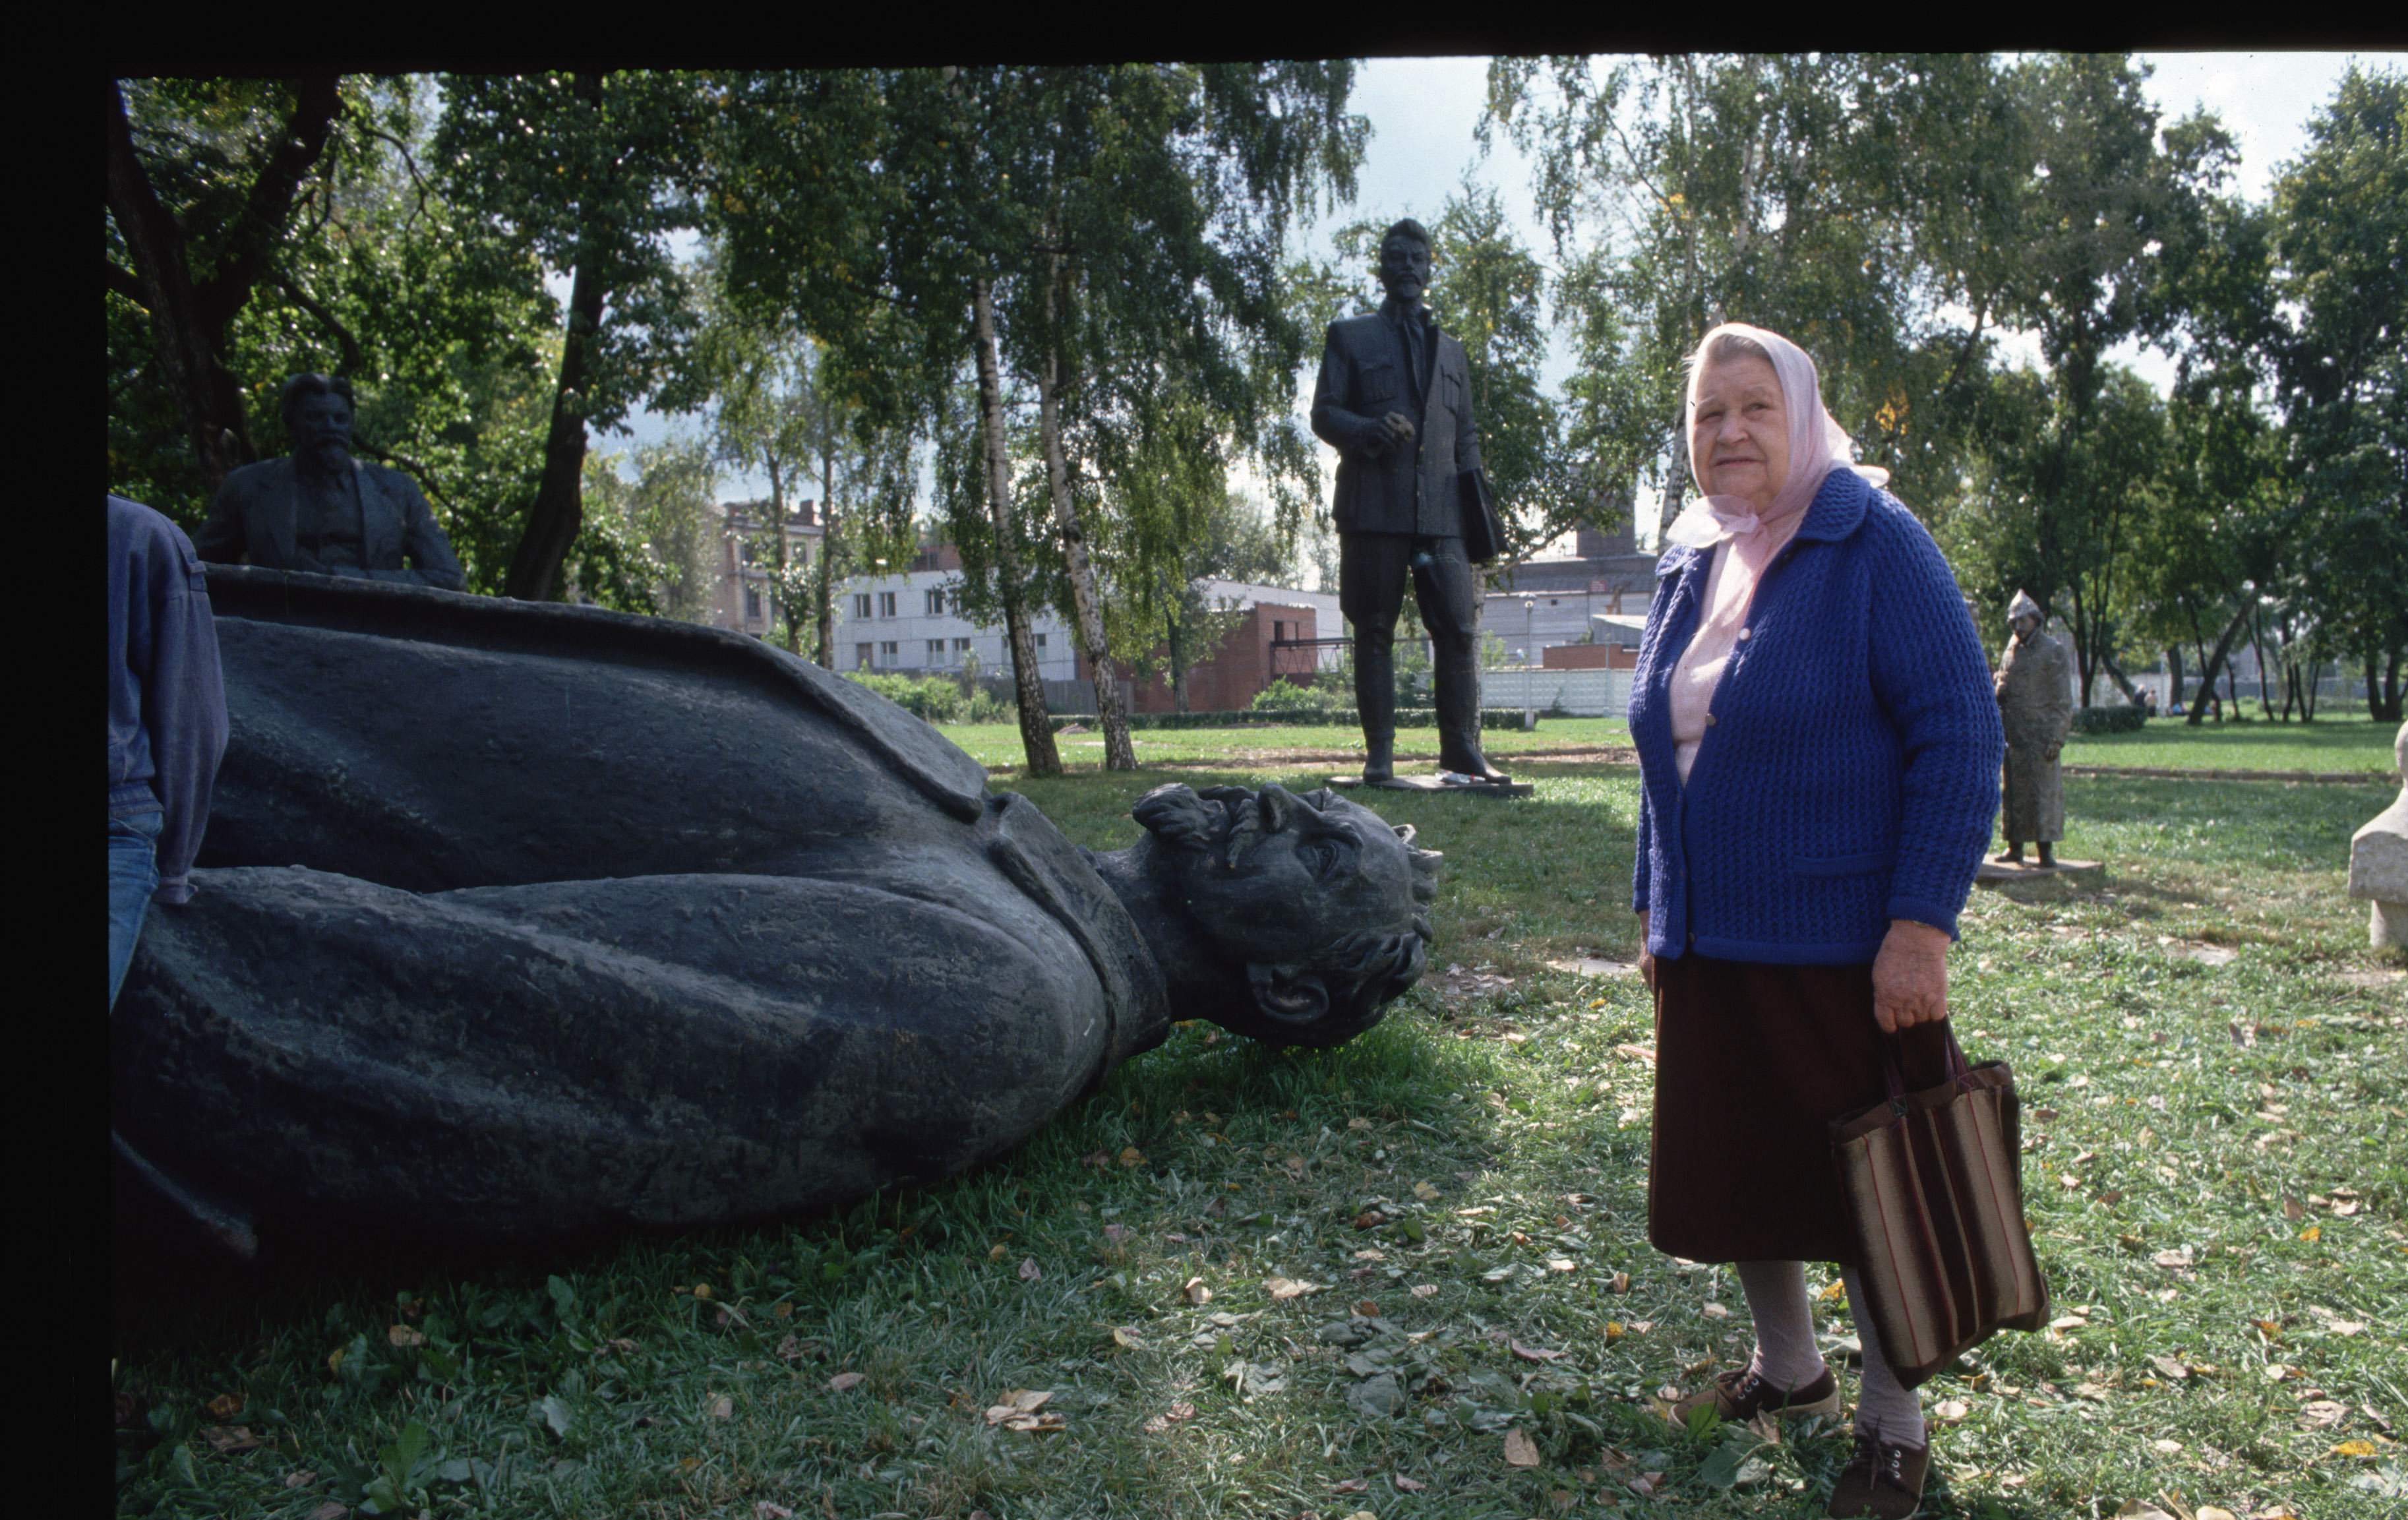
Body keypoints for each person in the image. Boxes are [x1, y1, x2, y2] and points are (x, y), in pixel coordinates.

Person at [111, 565, 1441, 1245]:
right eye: (1314, 800)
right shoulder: (966, 803)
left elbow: (406, 1012)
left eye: (1319, 857)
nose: (1278, 803)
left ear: (1285, 989)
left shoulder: (1001, 996)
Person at [1627, 324, 2002, 1520]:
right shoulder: (1691, 559)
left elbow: (1960, 734)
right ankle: (1787, 1367)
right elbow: (1665, 754)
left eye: (1754, 407)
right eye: (1707, 413)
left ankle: (1894, 1426)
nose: (1728, 431)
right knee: (1749, 1162)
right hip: (1712, 938)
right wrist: (1655, 902)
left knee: (1868, 1188)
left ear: (1803, 416)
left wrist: (1920, 927)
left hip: (1844, 946)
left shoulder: (1873, 540)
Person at [1309, 220, 1509, 785]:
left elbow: (1466, 437)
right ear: (1381, 267)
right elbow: (1324, 414)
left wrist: (1478, 514)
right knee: (1374, 628)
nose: (1407, 267)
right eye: (1396, 257)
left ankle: (1460, 749)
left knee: (1459, 630)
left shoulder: (1453, 353)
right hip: (1373, 507)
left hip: (1442, 514)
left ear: (1429, 268)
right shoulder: (1350, 337)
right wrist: (1368, 429)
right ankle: (1380, 755)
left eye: (1417, 258)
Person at [108, 495, 227, 1008]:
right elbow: (193, 719)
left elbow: (191, 720)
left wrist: (174, 863)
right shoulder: (142, 534)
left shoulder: (139, 536)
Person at [193, 373, 465, 589]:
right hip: (281, 626)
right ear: (291, 423)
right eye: (316, 418)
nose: (331, 428)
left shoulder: (398, 490)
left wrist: (348, 580)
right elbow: (195, 569)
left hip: (374, 627)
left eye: (340, 419)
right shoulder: (247, 488)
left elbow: (448, 577)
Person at [1992, 589, 2074, 868]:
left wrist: (2056, 738)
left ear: (2035, 619)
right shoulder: (2011, 649)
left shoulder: (2053, 650)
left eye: (2021, 620)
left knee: (2042, 794)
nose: (2017, 626)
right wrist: (1999, 690)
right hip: (2014, 735)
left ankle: (2044, 849)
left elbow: (2063, 700)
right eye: (2013, 622)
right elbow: (2002, 681)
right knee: (2014, 793)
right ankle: (2014, 846)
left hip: (2040, 736)